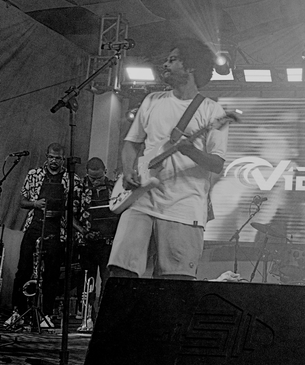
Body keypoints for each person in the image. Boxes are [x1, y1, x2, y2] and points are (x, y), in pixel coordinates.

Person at [108, 38, 229, 280]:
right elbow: (131, 143)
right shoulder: (152, 100)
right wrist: (129, 169)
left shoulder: (212, 110)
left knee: (175, 283)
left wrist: (190, 151)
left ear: (190, 66)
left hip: (183, 206)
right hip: (141, 199)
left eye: (172, 60)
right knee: (121, 274)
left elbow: (217, 163)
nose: (165, 64)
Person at [11, 142, 82, 328]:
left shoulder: (71, 179)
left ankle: (47, 315)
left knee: (52, 274)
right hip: (34, 225)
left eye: (58, 158)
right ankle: (18, 312)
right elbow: (22, 201)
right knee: (23, 270)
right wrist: (35, 204)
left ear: (63, 159)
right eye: (51, 157)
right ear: (46, 156)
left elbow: (73, 209)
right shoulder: (34, 174)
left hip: (56, 229)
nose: (54, 161)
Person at [76, 157, 119, 319]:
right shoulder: (79, 188)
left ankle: (105, 315)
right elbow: (70, 214)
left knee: (108, 279)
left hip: (108, 242)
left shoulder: (114, 187)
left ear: (105, 171)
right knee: (87, 279)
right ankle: (87, 314)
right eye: (92, 178)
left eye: (99, 178)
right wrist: (84, 231)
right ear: (86, 173)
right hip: (87, 242)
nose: (95, 182)